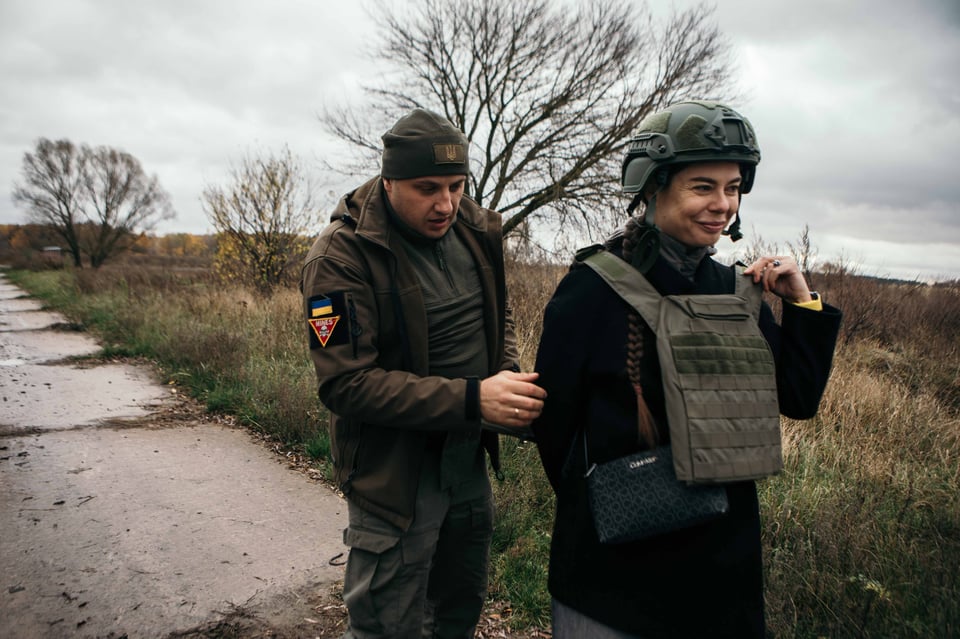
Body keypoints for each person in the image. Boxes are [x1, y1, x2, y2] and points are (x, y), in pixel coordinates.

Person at [531, 101, 841, 638]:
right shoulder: (591, 289)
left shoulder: (735, 290)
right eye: (703, 186)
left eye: (734, 188)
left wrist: (803, 304)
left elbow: (797, 397)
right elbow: (553, 428)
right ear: (652, 188)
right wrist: (606, 500)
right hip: (611, 580)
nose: (722, 204)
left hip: (722, 577)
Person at [300, 107, 546, 639]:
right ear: (389, 181)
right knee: (387, 625)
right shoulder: (338, 259)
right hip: (394, 478)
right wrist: (473, 399)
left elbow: (495, 317)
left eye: (457, 186)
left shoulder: (473, 231)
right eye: (427, 187)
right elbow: (345, 384)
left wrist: (506, 378)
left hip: (466, 465)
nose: (446, 204)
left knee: (457, 610)